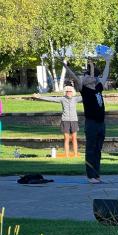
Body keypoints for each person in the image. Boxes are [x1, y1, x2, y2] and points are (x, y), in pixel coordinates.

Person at [62, 54, 112, 183]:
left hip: (101, 123)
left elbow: (104, 75)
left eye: (88, 75)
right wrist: (65, 66)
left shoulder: (98, 87)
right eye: (85, 76)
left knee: (98, 150)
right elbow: (74, 77)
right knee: (90, 149)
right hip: (91, 123)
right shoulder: (84, 89)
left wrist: (106, 62)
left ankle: (97, 175)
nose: (86, 77)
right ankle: (90, 176)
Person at [34, 86, 82, 157]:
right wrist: (39, 96)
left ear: (73, 92)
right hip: (65, 120)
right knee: (66, 139)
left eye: (70, 91)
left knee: (74, 138)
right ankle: (67, 155)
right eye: (67, 91)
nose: (69, 92)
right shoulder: (62, 99)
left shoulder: (76, 99)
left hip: (74, 120)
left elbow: (87, 95)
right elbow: (51, 99)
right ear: (65, 92)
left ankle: (75, 155)